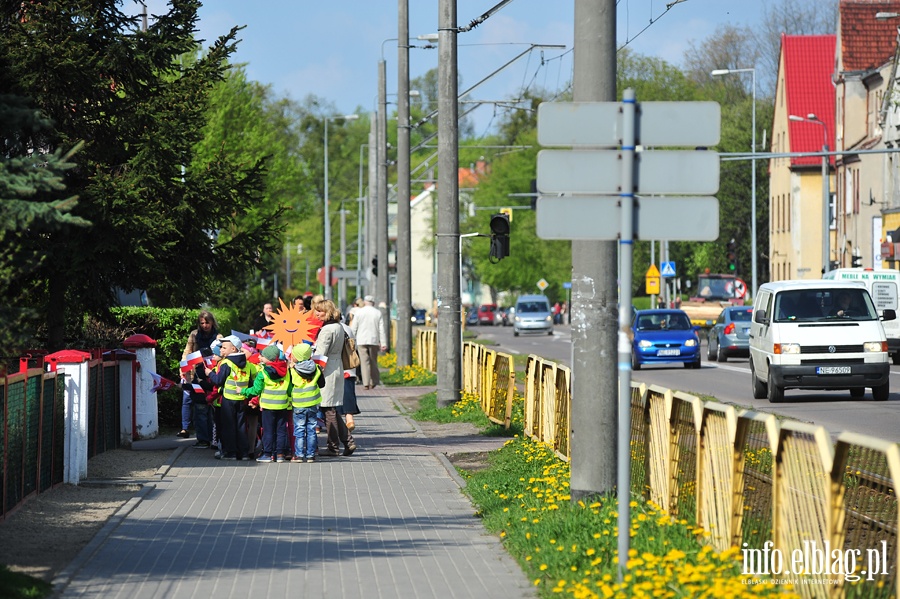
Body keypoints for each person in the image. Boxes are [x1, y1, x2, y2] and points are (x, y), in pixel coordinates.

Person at [312, 299, 356, 457]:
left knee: (328, 409)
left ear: (328, 312)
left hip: (327, 371)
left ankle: (333, 447)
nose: (316, 314)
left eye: (320, 311)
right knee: (331, 408)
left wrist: (312, 368)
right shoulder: (338, 326)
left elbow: (320, 354)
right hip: (337, 368)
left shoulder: (326, 329)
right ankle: (348, 441)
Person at [206, 335, 253, 460]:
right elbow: (252, 380)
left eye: (224, 347)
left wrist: (209, 373)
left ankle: (230, 453)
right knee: (241, 427)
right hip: (242, 399)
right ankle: (243, 453)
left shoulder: (227, 363)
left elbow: (218, 380)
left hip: (228, 399)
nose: (221, 350)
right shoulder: (247, 364)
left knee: (229, 427)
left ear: (233, 349)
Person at [243, 344, 291, 463]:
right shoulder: (286, 371)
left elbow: (256, 390)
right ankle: (280, 454)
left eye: (262, 356)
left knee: (268, 430)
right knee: (281, 431)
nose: (260, 357)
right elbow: (290, 389)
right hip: (283, 405)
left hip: (268, 407)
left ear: (269, 359)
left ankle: (268, 454)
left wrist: (243, 391)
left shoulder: (263, 373)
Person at [179, 310, 220, 443]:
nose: (204, 326)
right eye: (202, 323)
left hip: (211, 375)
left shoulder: (218, 337)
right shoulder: (194, 335)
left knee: (211, 409)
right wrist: (183, 368)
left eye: (207, 323)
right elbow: (187, 352)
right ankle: (203, 439)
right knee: (199, 407)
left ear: (212, 322)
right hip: (196, 374)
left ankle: (211, 438)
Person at [288, 343, 325, 462]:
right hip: (313, 403)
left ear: (297, 357)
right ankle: (311, 455)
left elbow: (289, 387)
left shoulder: (292, 370)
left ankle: (299, 455)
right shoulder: (317, 368)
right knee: (311, 429)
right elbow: (322, 384)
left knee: (299, 430)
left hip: (298, 404)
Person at [350, 295, 387, 390]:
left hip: (361, 340)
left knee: (364, 362)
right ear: (373, 303)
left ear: (365, 302)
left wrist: (351, 340)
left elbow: (354, 328)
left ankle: (366, 383)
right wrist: (383, 343)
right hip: (374, 340)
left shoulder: (359, 312)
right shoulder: (377, 313)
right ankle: (374, 381)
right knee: (373, 361)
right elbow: (381, 329)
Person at [339, 320, 360, 431]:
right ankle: (349, 419)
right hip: (348, 366)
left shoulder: (326, 329)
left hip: (335, 366)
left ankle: (322, 424)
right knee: (348, 392)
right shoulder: (347, 328)